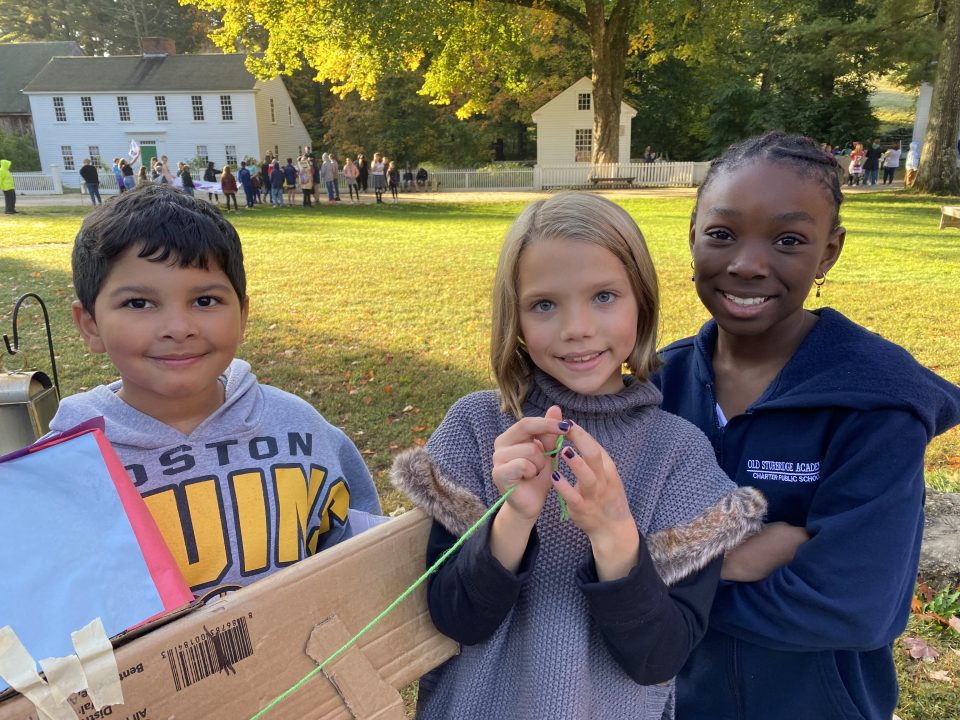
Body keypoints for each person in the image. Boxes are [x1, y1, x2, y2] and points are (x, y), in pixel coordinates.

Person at [391, 192, 767, 719]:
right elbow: (457, 620)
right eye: (544, 304)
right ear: (515, 318)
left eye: (605, 296)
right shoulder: (477, 430)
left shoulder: (678, 456)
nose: (577, 328)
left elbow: (659, 657)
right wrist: (514, 518)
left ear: (642, 299)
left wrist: (614, 531)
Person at [653, 132, 960, 720]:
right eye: (722, 234)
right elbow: (588, 554)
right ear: (692, 236)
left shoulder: (876, 404)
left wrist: (660, 584)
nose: (747, 264)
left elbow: (854, 605)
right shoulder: (654, 387)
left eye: (789, 240)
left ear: (829, 253)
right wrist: (734, 561)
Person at [51, 184, 383, 595]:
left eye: (205, 300)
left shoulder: (301, 429)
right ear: (90, 325)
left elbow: (362, 557)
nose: (178, 328)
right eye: (139, 303)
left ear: (242, 314)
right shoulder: (64, 466)